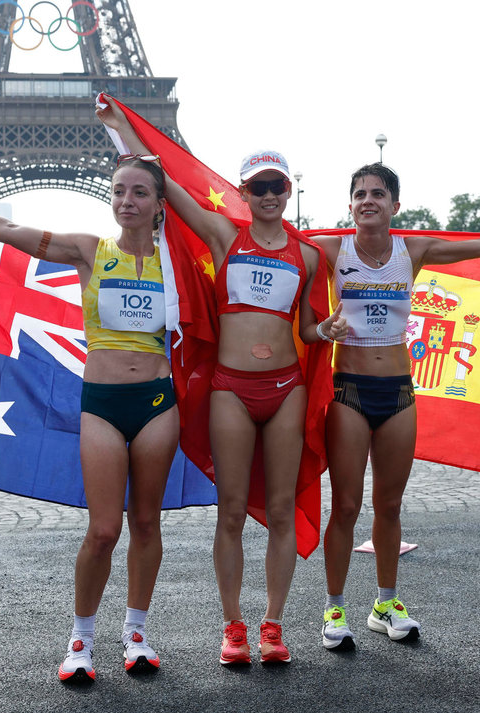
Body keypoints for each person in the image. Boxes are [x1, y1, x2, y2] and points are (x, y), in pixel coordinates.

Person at [0, 156, 179, 683]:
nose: (126, 201)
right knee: (102, 530)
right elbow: (7, 230)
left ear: (160, 205)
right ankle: (81, 639)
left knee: (146, 523)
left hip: (156, 403)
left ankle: (137, 633)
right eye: (119, 191)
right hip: (102, 402)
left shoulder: (176, 265)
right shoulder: (91, 251)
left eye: (140, 192)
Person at [306, 163, 480, 650]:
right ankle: (334, 609)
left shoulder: (412, 250)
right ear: (349, 205)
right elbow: (265, 243)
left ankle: (385, 603)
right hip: (348, 392)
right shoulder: (330, 250)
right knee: (348, 506)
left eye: (378, 193)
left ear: (395, 206)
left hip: (399, 394)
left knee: (390, 506)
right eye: (360, 194)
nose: (368, 201)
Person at [99, 98, 347, 666]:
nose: (267, 196)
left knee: (281, 510)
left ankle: (274, 625)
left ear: (288, 193)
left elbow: (307, 328)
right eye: (258, 187)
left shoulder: (308, 256)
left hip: (287, 388)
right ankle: (233, 626)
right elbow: (166, 185)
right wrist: (123, 130)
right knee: (231, 509)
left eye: (276, 187)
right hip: (231, 388)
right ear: (242, 191)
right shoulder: (221, 234)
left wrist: (324, 328)